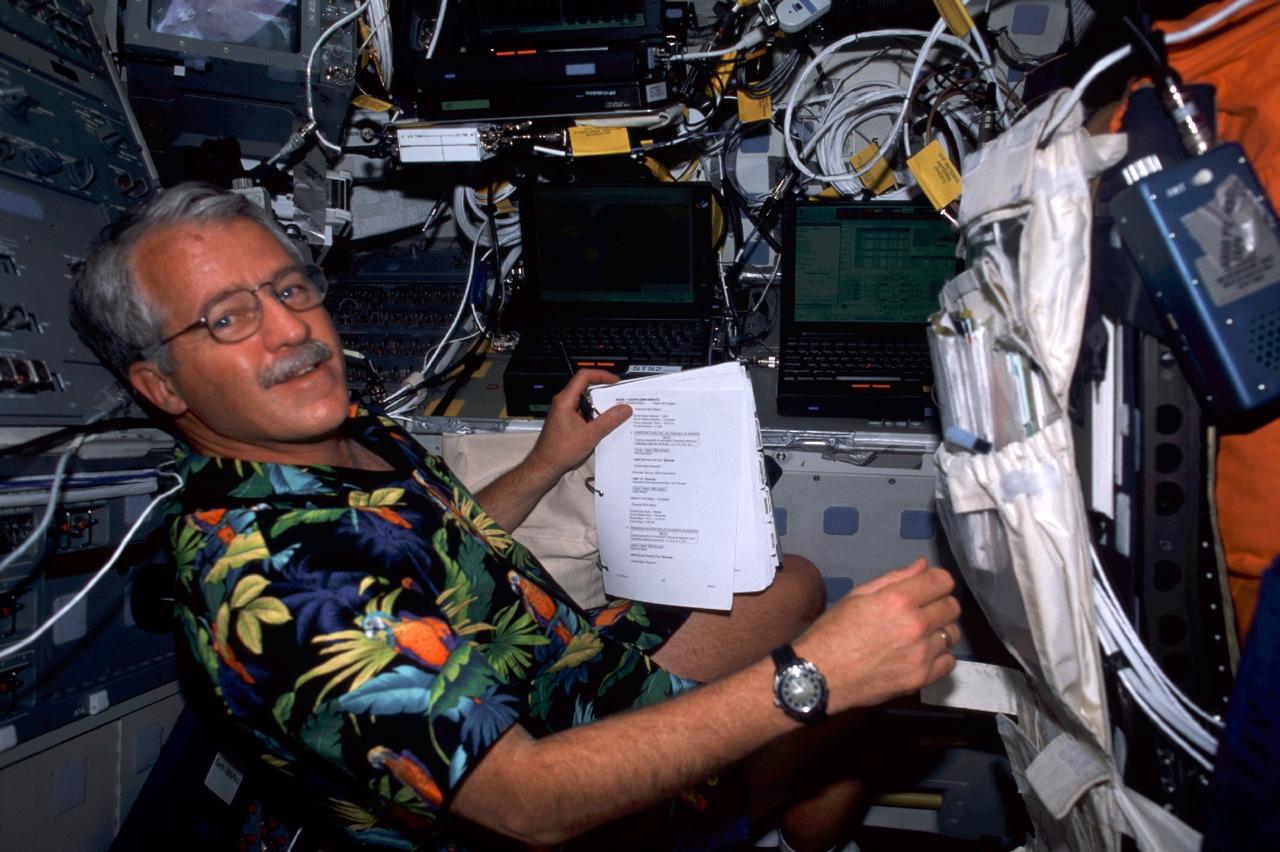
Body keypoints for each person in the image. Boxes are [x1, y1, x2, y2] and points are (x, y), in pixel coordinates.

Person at [70, 183, 962, 851]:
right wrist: (814, 679)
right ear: (159, 384)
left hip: (555, 669)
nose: (291, 331)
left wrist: (545, 462)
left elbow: (440, 544)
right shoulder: (281, 583)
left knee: (792, 584)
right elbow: (530, 804)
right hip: (563, 802)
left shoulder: (332, 434)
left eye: (290, 290)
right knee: (858, 689)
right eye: (229, 319)